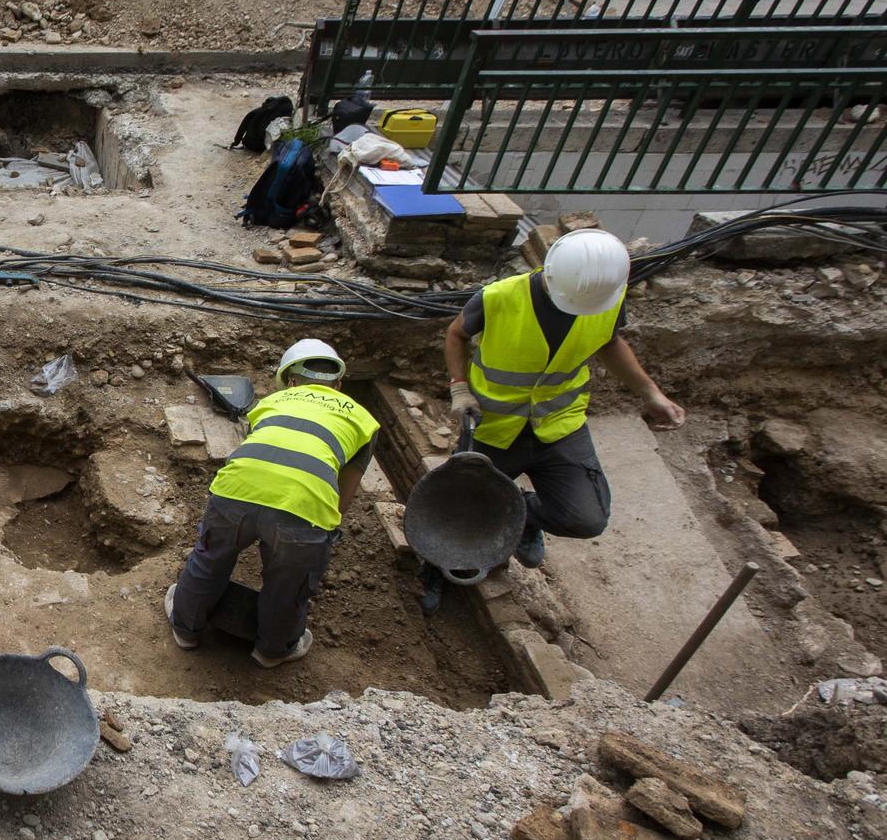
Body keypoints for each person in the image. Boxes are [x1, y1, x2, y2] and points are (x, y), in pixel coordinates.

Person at [432, 227, 684, 610]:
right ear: (549, 274)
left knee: (586, 519)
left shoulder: (604, 299)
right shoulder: (501, 297)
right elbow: (456, 334)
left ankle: (522, 516)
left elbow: (610, 343)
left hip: (559, 425)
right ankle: (434, 573)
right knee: (455, 509)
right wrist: (459, 388)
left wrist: (651, 393)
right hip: (495, 426)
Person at [166, 339, 380, 668]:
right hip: (303, 508)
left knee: (209, 559)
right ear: (338, 385)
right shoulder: (364, 421)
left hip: (234, 492)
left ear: (291, 381)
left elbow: (260, 454)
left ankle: (186, 629)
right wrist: (312, 537)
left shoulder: (271, 402)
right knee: (288, 585)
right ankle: (272, 650)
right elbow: (344, 494)